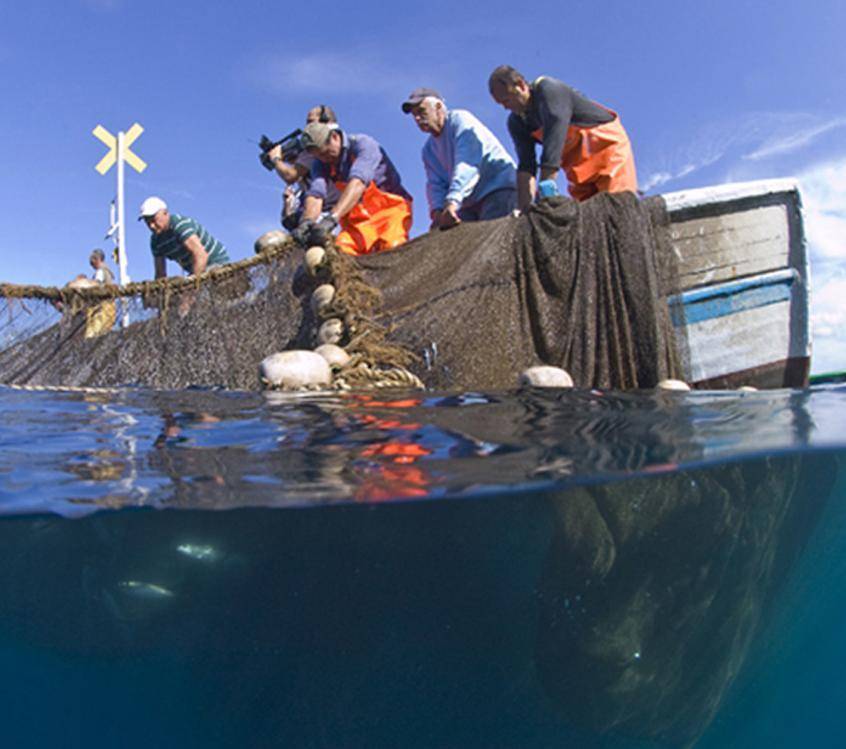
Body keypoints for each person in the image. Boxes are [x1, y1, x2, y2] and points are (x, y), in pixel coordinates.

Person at [488, 65, 638, 209]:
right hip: (579, 170)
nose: (505, 107)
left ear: (520, 85)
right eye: (501, 104)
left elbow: (555, 133)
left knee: (618, 209)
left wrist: (546, 188)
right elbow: (527, 166)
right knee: (587, 220)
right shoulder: (517, 123)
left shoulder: (548, 90)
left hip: (607, 150)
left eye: (507, 100)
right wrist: (524, 209)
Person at [402, 88, 517, 229]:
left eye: (421, 111)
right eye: (415, 115)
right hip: (468, 204)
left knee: (492, 241)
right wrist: (437, 212)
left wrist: (452, 202)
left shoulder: (460, 121)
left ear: (438, 108)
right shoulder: (429, 150)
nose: (418, 119)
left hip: (497, 189)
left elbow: (468, 165)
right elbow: (435, 184)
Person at [293, 122, 413, 255]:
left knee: (392, 247)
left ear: (334, 137)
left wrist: (332, 218)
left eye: (326, 153)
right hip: (358, 221)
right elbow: (316, 194)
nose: (324, 159)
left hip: (390, 211)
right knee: (341, 253)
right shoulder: (320, 164)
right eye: (319, 156)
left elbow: (358, 183)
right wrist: (306, 221)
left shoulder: (363, 145)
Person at [264, 105, 341, 230]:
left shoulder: (317, 145)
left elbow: (290, 176)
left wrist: (276, 159)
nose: (307, 127)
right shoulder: (335, 142)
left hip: (329, 213)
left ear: (325, 120)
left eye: (311, 122)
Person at [139, 197, 230, 278]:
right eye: (147, 222)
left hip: (215, 262)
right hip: (195, 267)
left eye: (154, 220)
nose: (151, 226)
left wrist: (193, 284)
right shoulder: (155, 241)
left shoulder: (180, 225)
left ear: (165, 213)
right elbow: (160, 273)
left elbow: (201, 255)